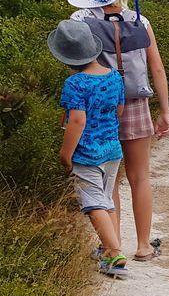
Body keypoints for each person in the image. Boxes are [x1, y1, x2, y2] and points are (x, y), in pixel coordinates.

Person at [67, 0, 169, 261]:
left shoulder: (82, 21)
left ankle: (111, 248)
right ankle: (143, 246)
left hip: (101, 109)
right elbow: (157, 68)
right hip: (138, 105)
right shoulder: (141, 21)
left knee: (109, 181)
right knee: (139, 178)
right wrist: (164, 111)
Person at [48, 19, 128, 279]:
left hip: (87, 154)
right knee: (105, 200)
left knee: (93, 204)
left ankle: (115, 254)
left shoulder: (75, 84)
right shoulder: (114, 75)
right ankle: (108, 248)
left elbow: (77, 120)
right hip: (112, 150)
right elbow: (119, 110)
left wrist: (65, 154)